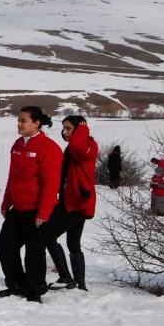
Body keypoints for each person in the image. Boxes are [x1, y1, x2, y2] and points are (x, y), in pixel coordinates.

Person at [0, 106, 62, 303]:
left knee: (34, 253)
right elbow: (12, 177)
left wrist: (43, 212)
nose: (19, 124)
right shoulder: (17, 145)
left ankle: (35, 289)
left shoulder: (49, 147)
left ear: (37, 123)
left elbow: (51, 184)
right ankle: (16, 284)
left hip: (38, 210)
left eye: (23, 120)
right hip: (18, 208)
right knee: (5, 246)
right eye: (18, 120)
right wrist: (6, 203)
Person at [41, 116, 98, 290]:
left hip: (78, 204)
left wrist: (82, 130)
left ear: (80, 130)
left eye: (69, 128)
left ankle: (66, 277)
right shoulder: (73, 148)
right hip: (74, 202)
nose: (64, 132)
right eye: (63, 128)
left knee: (48, 236)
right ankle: (80, 284)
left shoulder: (88, 146)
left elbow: (77, 146)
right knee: (73, 244)